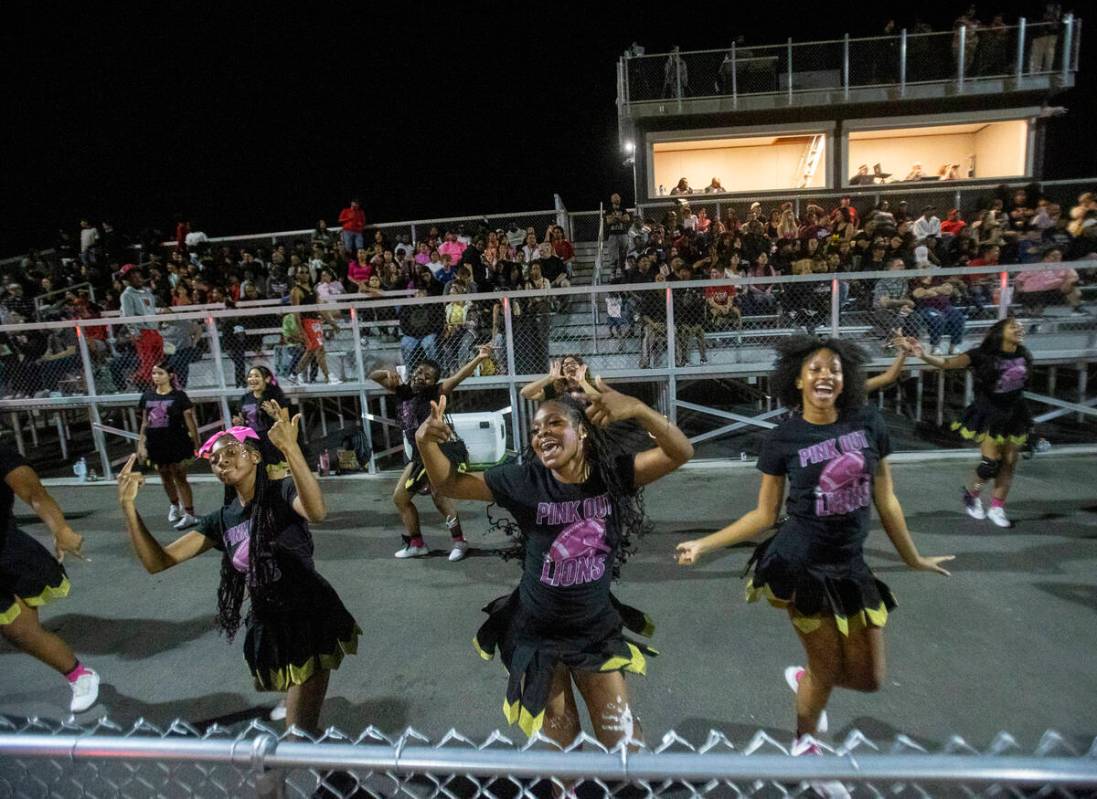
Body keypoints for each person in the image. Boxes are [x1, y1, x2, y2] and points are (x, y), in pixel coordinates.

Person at [675, 336, 951, 785]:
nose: (826, 375)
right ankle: (806, 749)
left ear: (846, 380)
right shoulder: (783, 437)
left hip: (851, 567)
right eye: (816, 369)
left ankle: (807, 679)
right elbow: (764, 514)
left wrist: (914, 558)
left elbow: (888, 501)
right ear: (798, 380)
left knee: (869, 680)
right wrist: (706, 544)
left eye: (835, 370)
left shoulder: (868, 423)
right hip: (800, 566)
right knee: (827, 669)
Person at [415, 380, 693, 743]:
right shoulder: (525, 481)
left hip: (593, 630)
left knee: (624, 742)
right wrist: (424, 443)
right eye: (535, 429)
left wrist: (640, 409)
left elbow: (680, 452)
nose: (542, 433)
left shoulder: (612, 475)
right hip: (536, 632)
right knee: (562, 747)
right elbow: (451, 484)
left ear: (583, 432)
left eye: (554, 424)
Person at [117, 412, 360, 736]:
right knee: (302, 727)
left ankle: (331, 776)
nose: (222, 461)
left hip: (308, 615)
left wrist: (291, 449)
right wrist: (129, 510)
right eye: (215, 460)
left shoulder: (282, 492)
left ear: (256, 456)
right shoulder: (221, 520)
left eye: (232, 452)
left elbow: (317, 511)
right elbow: (158, 562)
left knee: (298, 730)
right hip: (270, 622)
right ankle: (330, 772)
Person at [369, 346, 493, 561]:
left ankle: (459, 542)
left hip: (439, 451)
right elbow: (373, 376)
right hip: (419, 455)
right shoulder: (402, 390)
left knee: (439, 495)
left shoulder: (434, 392)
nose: (421, 378)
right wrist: (386, 373)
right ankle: (417, 544)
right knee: (400, 498)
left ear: (434, 382)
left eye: (428, 377)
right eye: (419, 372)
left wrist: (479, 359)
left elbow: (458, 377)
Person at [909, 319, 1033, 528]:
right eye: (1013, 327)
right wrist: (923, 355)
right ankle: (971, 494)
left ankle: (997, 507)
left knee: (1010, 461)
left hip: (1014, 413)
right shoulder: (980, 355)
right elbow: (947, 364)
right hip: (989, 413)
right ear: (999, 332)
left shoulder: (1024, 354)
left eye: (1020, 327)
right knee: (989, 464)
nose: (1019, 330)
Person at [0, 444, 97, 713]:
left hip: (5, 554)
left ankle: (80, 676)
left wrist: (61, 529)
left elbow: (34, 495)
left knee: (20, 632)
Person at [137, 361, 201, 530]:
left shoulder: (179, 396)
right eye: (154, 374)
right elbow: (144, 422)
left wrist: (197, 444)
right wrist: (141, 444)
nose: (156, 377)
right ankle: (174, 505)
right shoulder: (147, 396)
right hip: (156, 442)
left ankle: (190, 513)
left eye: (160, 373)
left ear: (170, 376)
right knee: (164, 475)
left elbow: (190, 422)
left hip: (176, 441)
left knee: (180, 475)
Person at [233, 366, 298, 477]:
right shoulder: (244, 398)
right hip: (252, 443)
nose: (252, 379)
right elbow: (242, 423)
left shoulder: (275, 397)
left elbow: (286, 423)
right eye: (250, 376)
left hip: (270, 442)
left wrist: (274, 415)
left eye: (257, 376)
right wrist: (238, 422)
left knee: (275, 477)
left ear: (267, 379)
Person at [119, 263, 163, 389]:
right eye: (133, 276)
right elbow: (128, 316)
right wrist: (135, 333)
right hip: (143, 332)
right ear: (127, 280)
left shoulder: (147, 293)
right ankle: (153, 387)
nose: (137, 278)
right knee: (148, 362)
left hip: (154, 330)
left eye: (138, 275)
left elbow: (151, 310)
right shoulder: (126, 295)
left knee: (160, 361)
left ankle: (135, 378)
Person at [520, 355, 598, 404]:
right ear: (562, 372)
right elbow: (525, 393)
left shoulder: (589, 388)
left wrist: (582, 382)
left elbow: (601, 402)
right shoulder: (555, 390)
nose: (569, 366)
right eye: (565, 365)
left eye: (573, 363)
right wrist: (549, 378)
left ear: (582, 368)